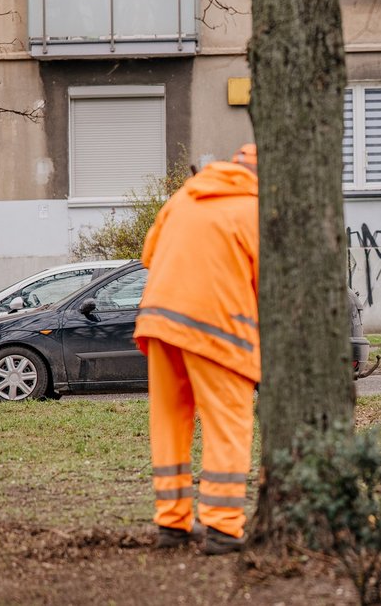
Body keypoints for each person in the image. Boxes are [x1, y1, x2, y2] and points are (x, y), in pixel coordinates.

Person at [133, 144, 260, 555]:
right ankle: (223, 528)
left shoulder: (185, 196)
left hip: (161, 321)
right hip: (219, 329)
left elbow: (149, 257)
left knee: (170, 422)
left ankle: (171, 523)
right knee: (228, 424)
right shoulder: (258, 210)